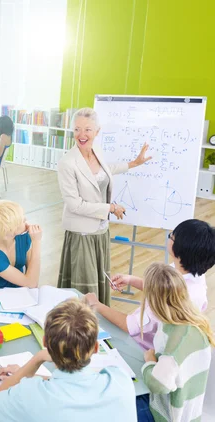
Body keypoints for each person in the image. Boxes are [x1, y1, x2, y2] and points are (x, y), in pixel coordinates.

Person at [57, 107, 151, 305]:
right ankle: (81, 326)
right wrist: (110, 208)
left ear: (97, 131)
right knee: (84, 285)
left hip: (100, 229)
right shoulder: (68, 162)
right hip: (82, 233)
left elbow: (106, 170)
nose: (81, 135)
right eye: (77, 129)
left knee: (98, 281)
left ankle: (98, 321)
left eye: (88, 130)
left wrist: (133, 163)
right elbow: (75, 205)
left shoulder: (96, 151)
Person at [0, 299, 136, 422]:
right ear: (96, 347)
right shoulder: (121, 381)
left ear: (45, 343)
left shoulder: (29, 395)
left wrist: (36, 359)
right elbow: (76, 385)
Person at [85, 218, 215, 351]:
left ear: (181, 250)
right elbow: (158, 287)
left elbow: (130, 326)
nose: (169, 236)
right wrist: (131, 280)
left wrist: (96, 304)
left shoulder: (173, 295)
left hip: (143, 349)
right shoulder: (192, 273)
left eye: (172, 237)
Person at [133, 263, 214, 422]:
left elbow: (158, 385)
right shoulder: (191, 322)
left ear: (152, 301)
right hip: (187, 412)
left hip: (166, 416)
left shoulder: (175, 341)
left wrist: (149, 363)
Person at [0, 201, 42, 289]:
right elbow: (31, 283)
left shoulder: (23, 237)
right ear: (11, 229)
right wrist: (37, 242)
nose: (26, 220)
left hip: (17, 292)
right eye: (22, 220)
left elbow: (33, 280)